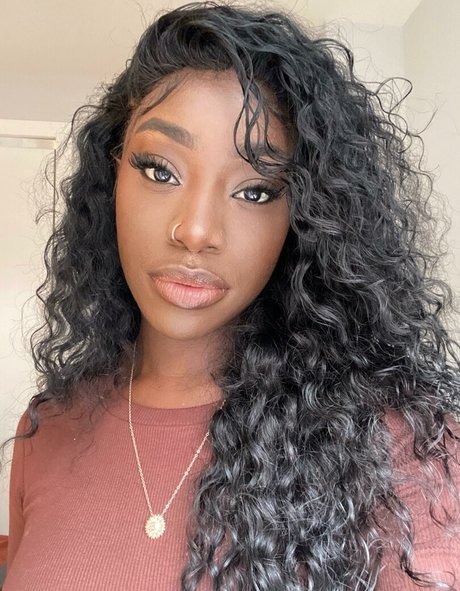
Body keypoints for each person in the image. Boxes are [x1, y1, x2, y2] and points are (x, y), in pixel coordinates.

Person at [2, 2, 460, 589]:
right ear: (111, 176)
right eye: (160, 170)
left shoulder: (402, 448)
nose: (196, 231)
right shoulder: (48, 429)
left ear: (306, 216)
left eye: (256, 191)